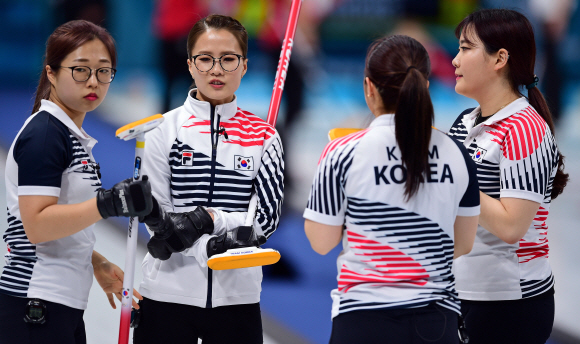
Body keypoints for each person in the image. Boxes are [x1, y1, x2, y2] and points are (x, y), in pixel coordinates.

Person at [303, 35, 480, 344]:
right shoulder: (457, 152)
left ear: (369, 88)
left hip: (363, 321)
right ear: (425, 86)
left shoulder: (342, 152)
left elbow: (321, 241)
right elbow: (462, 243)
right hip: (436, 323)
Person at [133, 14, 284, 343]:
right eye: (205, 59)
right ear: (189, 65)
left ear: (244, 66)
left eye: (229, 59)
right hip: (166, 295)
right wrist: (210, 246)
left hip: (238, 300)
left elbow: (265, 222)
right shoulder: (161, 130)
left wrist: (209, 219)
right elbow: (157, 217)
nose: (216, 70)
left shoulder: (265, 137)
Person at [0, 20, 151, 343]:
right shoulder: (44, 135)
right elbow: (36, 226)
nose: (93, 81)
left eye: (103, 71)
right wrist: (107, 203)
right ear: (52, 72)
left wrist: (94, 260)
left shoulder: (70, 136)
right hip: (35, 304)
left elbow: (59, 221)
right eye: (80, 70)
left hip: (60, 305)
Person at [448, 8, 569, 344]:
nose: (455, 60)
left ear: (499, 58)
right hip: (461, 290)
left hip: (509, 303)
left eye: (466, 48)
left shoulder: (525, 129)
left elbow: (510, 226)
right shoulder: (464, 121)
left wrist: (454, 175)